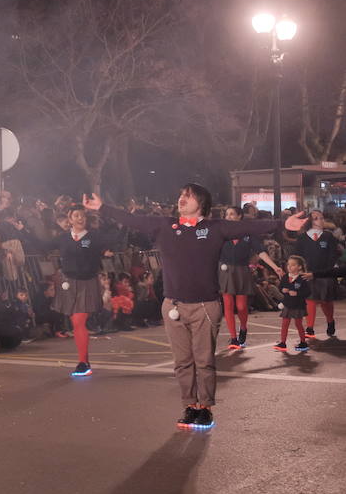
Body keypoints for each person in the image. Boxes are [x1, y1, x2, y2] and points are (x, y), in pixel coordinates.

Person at [86, 184, 307, 430]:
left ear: (200, 203)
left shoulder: (214, 228)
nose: (181, 198)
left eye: (188, 196)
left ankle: (206, 408)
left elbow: (249, 226)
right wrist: (102, 208)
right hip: (173, 305)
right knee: (182, 361)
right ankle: (190, 406)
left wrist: (283, 224)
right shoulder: (164, 225)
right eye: (181, 194)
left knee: (204, 361)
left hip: (205, 305)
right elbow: (133, 219)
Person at [42, 206, 112, 377]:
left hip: (87, 282)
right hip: (69, 283)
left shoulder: (92, 237)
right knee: (76, 323)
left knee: (79, 321)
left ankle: (82, 363)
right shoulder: (63, 237)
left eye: (82, 215)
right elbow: (43, 245)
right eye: (76, 215)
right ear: (70, 218)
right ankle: (85, 362)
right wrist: (22, 232)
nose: (80, 218)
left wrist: (105, 251)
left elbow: (98, 247)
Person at [220, 206, 282, 350]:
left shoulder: (248, 234)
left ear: (239, 216)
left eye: (232, 214)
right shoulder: (221, 234)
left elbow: (260, 252)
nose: (229, 217)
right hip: (225, 271)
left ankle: (243, 328)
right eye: (226, 214)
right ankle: (234, 338)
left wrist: (274, 267)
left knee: (241, 307)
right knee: (228, 306)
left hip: (242, 271)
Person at [290, 210, 341, 341]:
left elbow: (334, 255)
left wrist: (327, 270)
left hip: (324, 274)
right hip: (307, 274)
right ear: (310, 221)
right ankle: (310, 328)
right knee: (309, 300)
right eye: (316, 218)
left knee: (326, 301)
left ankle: (330, 321)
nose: (320, 220)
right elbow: (297, 256)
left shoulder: (329, 237)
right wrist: (297, 270)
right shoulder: (302, 238)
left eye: (321, 218)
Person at [274, 255, 310, 353]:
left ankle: (303, 342)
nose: (289, 267)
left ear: (300, 267)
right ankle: (282, 343)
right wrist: (282, 289)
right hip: (287, 304)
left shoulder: (303, 278)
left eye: (293, 265)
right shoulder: (285, 277)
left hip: (298, 305)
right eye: (288, 264)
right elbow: (280, 286)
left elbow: (308, 292)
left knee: (298, 324)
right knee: (284, 324)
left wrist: (297, 293)